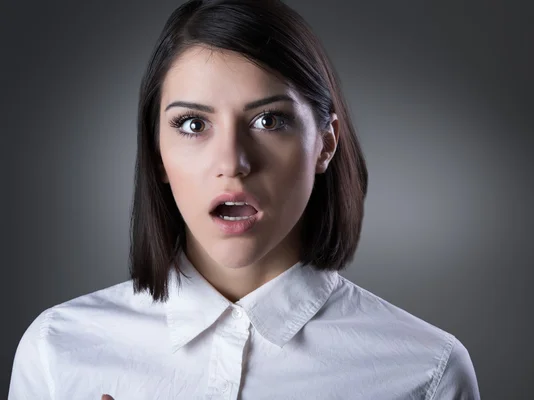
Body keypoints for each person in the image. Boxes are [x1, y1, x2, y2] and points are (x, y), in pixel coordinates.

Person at [8, 0, 480, 399]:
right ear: (156, 154)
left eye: (269, 121)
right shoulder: (58, 350)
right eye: (193, 124)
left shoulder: (427, 372)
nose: (232, 162)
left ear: (326, 144)